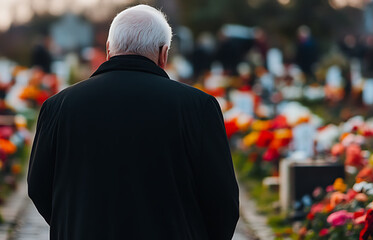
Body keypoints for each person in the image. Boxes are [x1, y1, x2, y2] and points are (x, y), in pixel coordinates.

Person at [27, 4, 239, 240]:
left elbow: (38, 187)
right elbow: (222, 200)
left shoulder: (58, 107)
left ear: (108, 50)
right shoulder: (199, 107)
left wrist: (75, 224)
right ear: (163, 53)